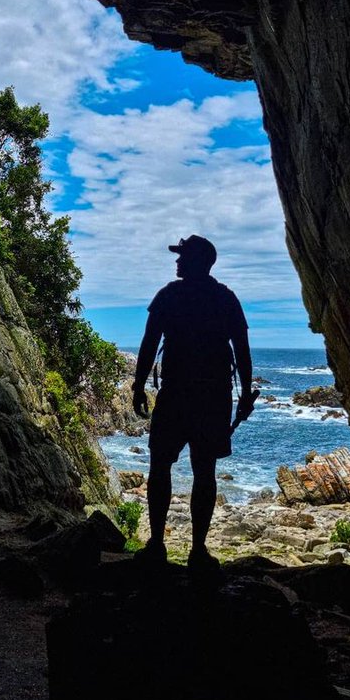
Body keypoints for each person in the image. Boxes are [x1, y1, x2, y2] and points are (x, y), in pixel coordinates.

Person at [132, 235, 255, 570]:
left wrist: (139, 386)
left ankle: (157, 545)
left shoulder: (169, 296)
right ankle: (197, 551)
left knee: (161, 467)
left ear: (198, 260)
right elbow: (241, 349)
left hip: (175, 395)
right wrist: (245, 393)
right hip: (213, 398)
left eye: (182, 256)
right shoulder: (225, 298)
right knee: (204, 471)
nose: (177, 261)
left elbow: (149, 343)